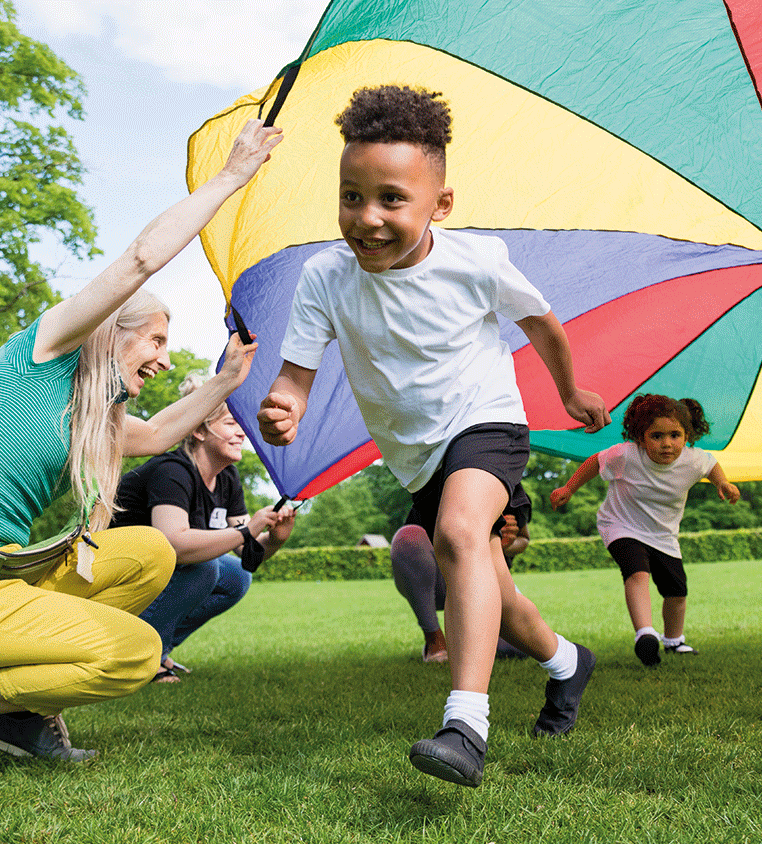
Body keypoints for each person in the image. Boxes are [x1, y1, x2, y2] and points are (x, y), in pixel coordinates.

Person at [0, 119, 283, 781]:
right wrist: (231, 178)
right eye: (156, 343)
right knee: (134, 652)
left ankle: (15, 717)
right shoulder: (42, 355)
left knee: (147, 552)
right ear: (113, 332)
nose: (165, 362)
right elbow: (141, 259)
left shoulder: (88, 415)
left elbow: (162, 434)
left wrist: (227, 380)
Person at [256, 85, 610, 788]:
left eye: (391, 199)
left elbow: (541, 322)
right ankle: (567, 663)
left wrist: (569, 391)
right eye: (351, 196)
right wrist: (283, 404)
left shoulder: (475, 261)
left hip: (486, 422)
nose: (367, 218)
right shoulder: (325, 277)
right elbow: (295, 376)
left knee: (456, 535)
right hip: (416, 455)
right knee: (494, 593)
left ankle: (466, 726)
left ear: (439, 205)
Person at [111, 374, 296, 683]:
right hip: (114, 566)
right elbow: (175, 544)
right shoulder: (173, 471)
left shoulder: (227, 478)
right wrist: (247, 531)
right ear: (198, 430)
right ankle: (138, 657)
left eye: (242, 426)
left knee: (237, 576)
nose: (242, 434)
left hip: (156, 569)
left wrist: (274, 539)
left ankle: (157, 648)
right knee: (204, 567)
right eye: (231, 424)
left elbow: (245, 553)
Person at [549, 395, 740, 667]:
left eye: (676, 435)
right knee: (637, 572)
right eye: (657, 436)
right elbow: (595, 462)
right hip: (620, 525)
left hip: (663, 536)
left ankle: (674, 640)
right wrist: (568, 488)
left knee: (676, 592)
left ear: (687, 435)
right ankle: (645, 635)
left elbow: (711, 465)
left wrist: (723, 483)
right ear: (640, 437)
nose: (667, 443)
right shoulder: (626, 455)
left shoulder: (693, 460)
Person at [392, 514, 530, 663]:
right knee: (408, 537)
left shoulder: (514, 494)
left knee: (519, 647)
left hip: (487, 578)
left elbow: (524, 539)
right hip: (443, 575)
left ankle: (470, 637)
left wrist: (504, 542)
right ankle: (434, 639)